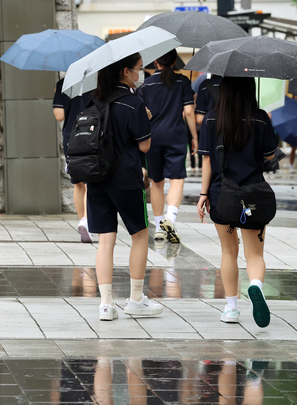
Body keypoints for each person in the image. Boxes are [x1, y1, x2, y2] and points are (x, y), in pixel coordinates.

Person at [87, 52, 163, 321]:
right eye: (139, 69)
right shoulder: (133, 103)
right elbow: (144, 145)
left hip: (96, 179)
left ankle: (106, 305)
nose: (140, 74)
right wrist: (146, 118)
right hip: (126, 180)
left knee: (105, 241)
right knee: (139, 235)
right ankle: (135, 300)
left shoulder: (93, 100)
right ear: (125, 71)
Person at [197, 76, 277, 328]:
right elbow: (270, 156)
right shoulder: (261, 117)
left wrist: (202, 194)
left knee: (228, 252)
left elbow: (208, 161)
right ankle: (255, 286)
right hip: (254, 194)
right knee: (254, 254)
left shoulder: (212, 118)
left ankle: (232, 308)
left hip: (222, 195)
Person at [138, 49, 198, 244]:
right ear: (174, 61)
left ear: (156, 61)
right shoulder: (182, 82)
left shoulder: (146, 84)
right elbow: (189, 112)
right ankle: (170, 219)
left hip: (153, 138)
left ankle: (158, 227)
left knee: (156, 182)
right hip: (176, 137)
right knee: (177, 179)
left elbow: (143, 114)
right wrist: (194, 137)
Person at [53, 79, 93, 242]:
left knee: (78, 183)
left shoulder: (64, 83)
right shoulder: (96, 81)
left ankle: (82, 220)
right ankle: (88, 222)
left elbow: (59, 115)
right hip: (93, 134)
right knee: (91, 182)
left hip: (71, 136)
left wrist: (58, 96)